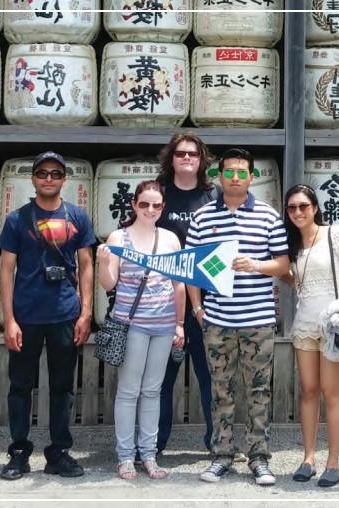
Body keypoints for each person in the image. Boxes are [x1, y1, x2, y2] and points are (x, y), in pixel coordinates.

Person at [186, 148, 289, 486]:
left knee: (259, 389)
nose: (234, 177)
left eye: (241, 172)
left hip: (257, 319)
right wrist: (199, 310)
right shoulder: (202, 218)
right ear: (219, 175)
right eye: (228, 171)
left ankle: (259, 458)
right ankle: (222, 456)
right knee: (221, 390)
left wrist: (257, 265)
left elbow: (283, 265)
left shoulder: (268, 216)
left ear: (251, 177)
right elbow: (191, 271)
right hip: (217, 320)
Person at [0, 151, 95, 480]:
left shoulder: (79, 217)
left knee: (62, 387)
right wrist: (7, 319)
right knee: (20, 386)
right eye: (43, 173)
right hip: (26, 316)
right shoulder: (16, 219)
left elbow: (86, 266)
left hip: (64, 315)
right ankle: (19, 452)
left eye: (55, 173)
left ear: (64, 179)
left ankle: (59, 452)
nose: (49, 179)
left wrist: (86, 313)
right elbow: (6, 270)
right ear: (33, 178)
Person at [97, 180, 186, 481]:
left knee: (153, 390)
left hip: (163, 323)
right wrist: (103, 262)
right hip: (131, 323)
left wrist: (180, 323)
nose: (150, 209)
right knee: (128, 390)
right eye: (144, 204)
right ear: (134, 204)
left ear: (163, 208)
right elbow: (110, 285)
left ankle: (148, 454)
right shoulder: (119, 238)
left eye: (156, 205)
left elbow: (179, 285)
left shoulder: (171, 239)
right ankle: (125, 456)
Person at [283, 183, 339, 487]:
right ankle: (308, 458)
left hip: (334, 325)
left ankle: (333, 463)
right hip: (304, 324)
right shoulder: (291, 244)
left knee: (332, 392)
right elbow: (294, 281)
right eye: (291, 208)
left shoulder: (334, 234)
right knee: (308, 391)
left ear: (315, 207)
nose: (298, 212)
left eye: (303, 206)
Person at [155, 132, 216, 454]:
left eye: (193, 154)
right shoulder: (158, 195)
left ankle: (216, 444)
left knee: (211, 378)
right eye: (180, 154)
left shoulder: (213, 196)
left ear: (202, 159)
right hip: (165, 302)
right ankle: (155, 444)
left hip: (209, 302)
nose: (187, 159)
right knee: (162, 380)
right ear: (171, 159)